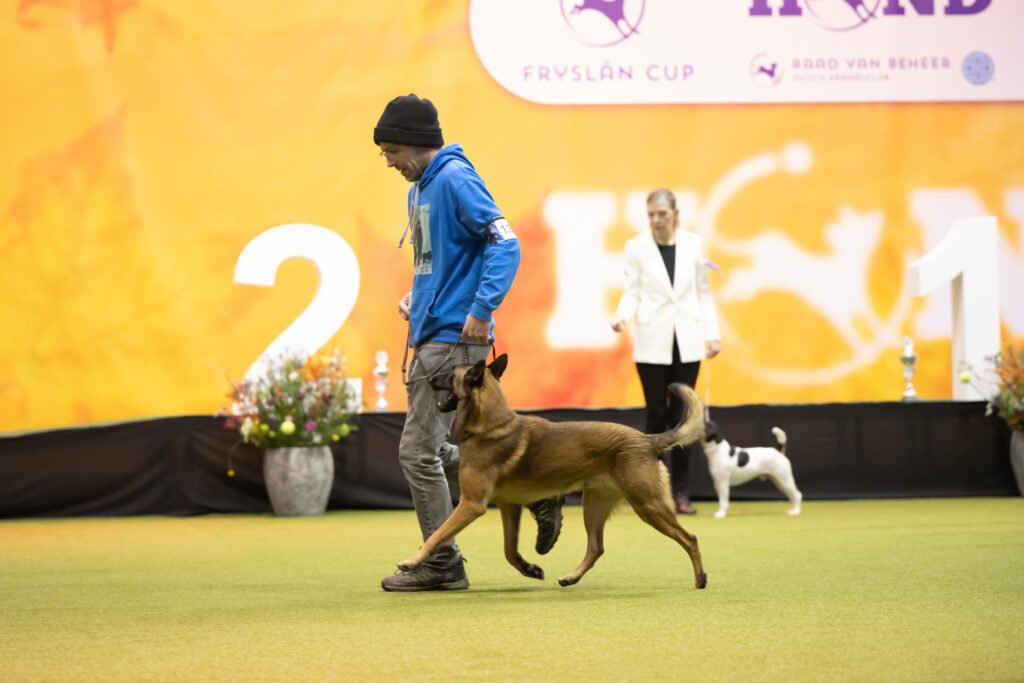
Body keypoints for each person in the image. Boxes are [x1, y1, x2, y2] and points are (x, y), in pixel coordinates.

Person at [374, 94, 563, 591]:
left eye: (392, 151)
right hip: (435, 333)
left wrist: (481, 309)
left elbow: (506, 243)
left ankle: (441, 563)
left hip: (455, 339)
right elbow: (440, 262)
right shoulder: (420, 189)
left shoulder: (455, 179)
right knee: (435, 449)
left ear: (416, 143)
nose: (388, 162)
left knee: (418, 453)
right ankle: (532, 489)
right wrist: (418, 294)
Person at [611, 188, 721, 515]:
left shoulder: (693, 244)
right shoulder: (636, 248)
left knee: (684, 416)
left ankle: (681, 492)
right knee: (656, 415)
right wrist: (622, 316)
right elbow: (631, 291)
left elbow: (703, 293)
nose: (656, 220)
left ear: (675, 214)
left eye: (662, 214)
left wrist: (712, 335)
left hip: (688, 340)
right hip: (651, 341)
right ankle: (651, 491)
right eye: (651, 215)